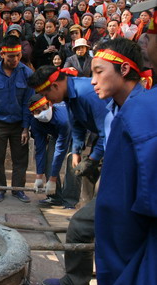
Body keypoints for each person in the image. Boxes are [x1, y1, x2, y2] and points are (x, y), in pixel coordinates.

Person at [41, 37, 148, 285]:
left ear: (123, 70)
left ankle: (84, 283)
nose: (92, 79)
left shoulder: (141, 109)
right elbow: (82, 127)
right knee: (86, 228)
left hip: (133, 199)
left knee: (90, 231)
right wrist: (78, 152)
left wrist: (97, 163)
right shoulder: (113, 106)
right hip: (116, 188)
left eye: (99, 72)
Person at [96, 1, 157, 285]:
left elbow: (118, 217)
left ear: (123, 69)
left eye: (152, 28)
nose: (144, 36)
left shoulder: (139, 113)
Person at [28, 64, 108, 208]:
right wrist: (76, 151)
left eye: (46, 95)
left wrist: (92, 159)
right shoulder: (69, 96)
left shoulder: (86, 94)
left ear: (55, 86)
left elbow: (108, 132)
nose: (49, 100)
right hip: (101, 137)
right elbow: (77, 125)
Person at [0, 36, 34, 203]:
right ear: (2, 54)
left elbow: (28, 103)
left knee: (21, 159)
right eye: (12, 56)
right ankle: (0, 189)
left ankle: (18, 189)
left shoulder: (27, 73)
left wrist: (26, 127)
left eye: (18, 55)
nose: (16, 59)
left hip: (19, 124)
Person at [29, 94, 71, 206]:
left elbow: (60, 150)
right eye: (37, 111)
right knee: (50, 163)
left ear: (50, 105)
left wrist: (52, 179)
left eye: (44, 109)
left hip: (73, 131)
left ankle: (70, 201)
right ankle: (55, 198)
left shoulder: (62, 119)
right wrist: (39, 177)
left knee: (73, 166)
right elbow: (40, 149)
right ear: (32, 113)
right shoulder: (35, 123)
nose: (42, 113)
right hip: (55, 134)